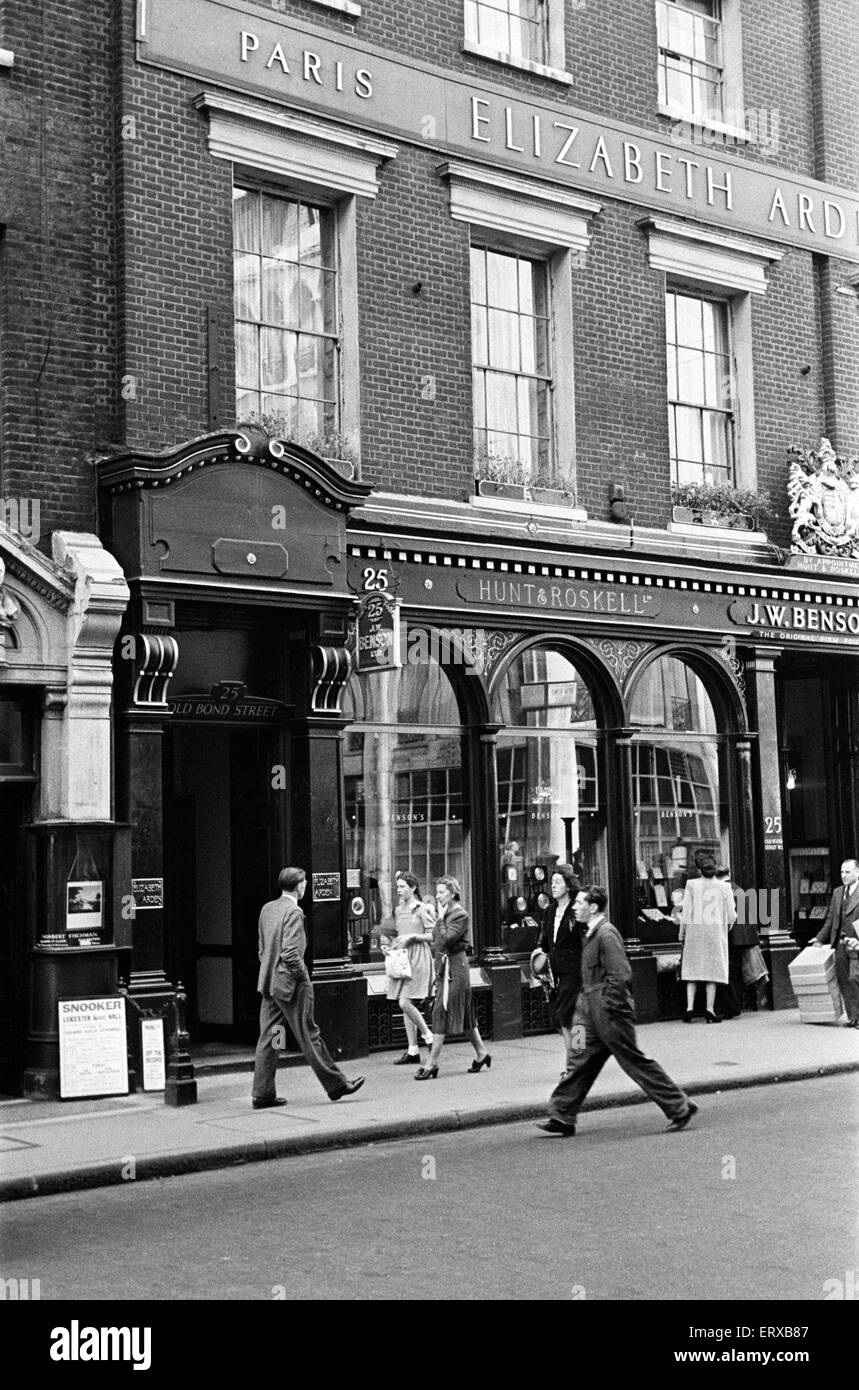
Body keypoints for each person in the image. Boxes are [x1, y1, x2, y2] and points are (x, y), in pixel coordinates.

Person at [536, 886, 697, 1137]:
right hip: (585, 1009)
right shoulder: (588, 932)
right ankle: (562, 1114)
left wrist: (608, 1006)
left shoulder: (606, 934)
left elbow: (621, 975)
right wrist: (583, 1005)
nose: (575, 907)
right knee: (577, 1055)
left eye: (580, 903)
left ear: (593, 908)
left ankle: (679, 1106)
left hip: (607, 1010)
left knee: (632, 1060)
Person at [251, 867, 365, 1108]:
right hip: (291, 985)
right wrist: (304, 979)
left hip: (270, 985)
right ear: (299, 885)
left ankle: (263, 1093)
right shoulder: (294, 911)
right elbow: (291, 953)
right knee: (308, 1034)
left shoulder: (267, 909)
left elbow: (262, 948)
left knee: (271, 1037)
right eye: (304, 883)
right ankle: (336, 1085)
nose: (306, 886)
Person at [415, 876, 491, 1080]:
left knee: (441, 1011)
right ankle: (482, 1053)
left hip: (455, 968)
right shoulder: (447, 913)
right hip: (445, 967)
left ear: (452, 893)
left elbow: (448, 939)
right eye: (437, 892)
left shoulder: (460, 914)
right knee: (464, 1015)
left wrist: (439, 920)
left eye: (441, 892)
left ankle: (431, 1063)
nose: (437, 896)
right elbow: (435, 938)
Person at [382, 872, 435, 1065]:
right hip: (402, 958)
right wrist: (391, 946)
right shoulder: (398, 910)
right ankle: (413, 1050)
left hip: (418, 958)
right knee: (405, 1005)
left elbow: (432, 936)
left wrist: (413, 937)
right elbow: (399, 935)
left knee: (405, 1003)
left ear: (413, 888)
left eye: (403, 886)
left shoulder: (422, 908)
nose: (399, 890)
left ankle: (428, 1036)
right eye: (398, 887)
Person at [537, 864, 582, 1077]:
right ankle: (579, 1058)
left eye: (557, 882)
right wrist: (538, 959)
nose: (553, 886)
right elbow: (545, 943)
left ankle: (574, 1065)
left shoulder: (577, 908)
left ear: (568, 885)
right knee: (564, 1017)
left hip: (575, 969)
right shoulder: (550, 911)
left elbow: (586, 939)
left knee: (570, 1016)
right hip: (554, 972)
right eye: (552, 882)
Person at [679, 857, 737, 1022]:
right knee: (712, 972)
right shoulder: (725, 887)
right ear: (716, 870)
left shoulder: (691, 885)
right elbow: (732, 915)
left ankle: (689, 1009)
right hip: (715, 933)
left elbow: (685, 913)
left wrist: (682, 934)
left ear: (699, 870)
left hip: (694, 933)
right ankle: (709, 1010)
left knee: (692, 971)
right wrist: (725, 928)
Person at [813, 857, 859, 1027]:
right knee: (844, 980)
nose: (844, 875)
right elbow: (831, 920)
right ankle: (853, 1016)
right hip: (840, 943)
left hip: (856, 942)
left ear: (858, 872)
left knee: (855, 977)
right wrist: (819, 938)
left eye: (847, 872)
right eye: (842, 872)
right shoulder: (838, 892)